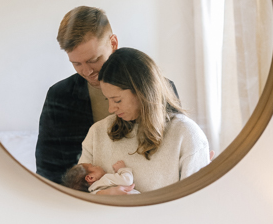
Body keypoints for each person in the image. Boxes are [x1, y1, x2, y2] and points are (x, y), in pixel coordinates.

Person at [35, 6, 179, 183]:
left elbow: (175, 151)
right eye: (76, 63)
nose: (87, 71)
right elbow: (47, 171)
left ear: (113, 43)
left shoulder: (161, 88)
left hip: (148, 200)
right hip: (82, 202)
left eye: (93, 60)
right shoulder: (59, 96)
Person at [78, 47, 209, 193]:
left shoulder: (187, 135)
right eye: (107, 99)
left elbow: (195, 205)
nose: (110, 109)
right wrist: (101, 195)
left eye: (117, 100)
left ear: (142, 92)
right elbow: (77, 195)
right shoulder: (98, 132)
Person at [61, 159, 139, 195]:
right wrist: (122, 169)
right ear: (90, 178)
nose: (98, 165)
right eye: (93, 166)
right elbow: (127, 180)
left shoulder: (93, 194)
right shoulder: (105, 179)